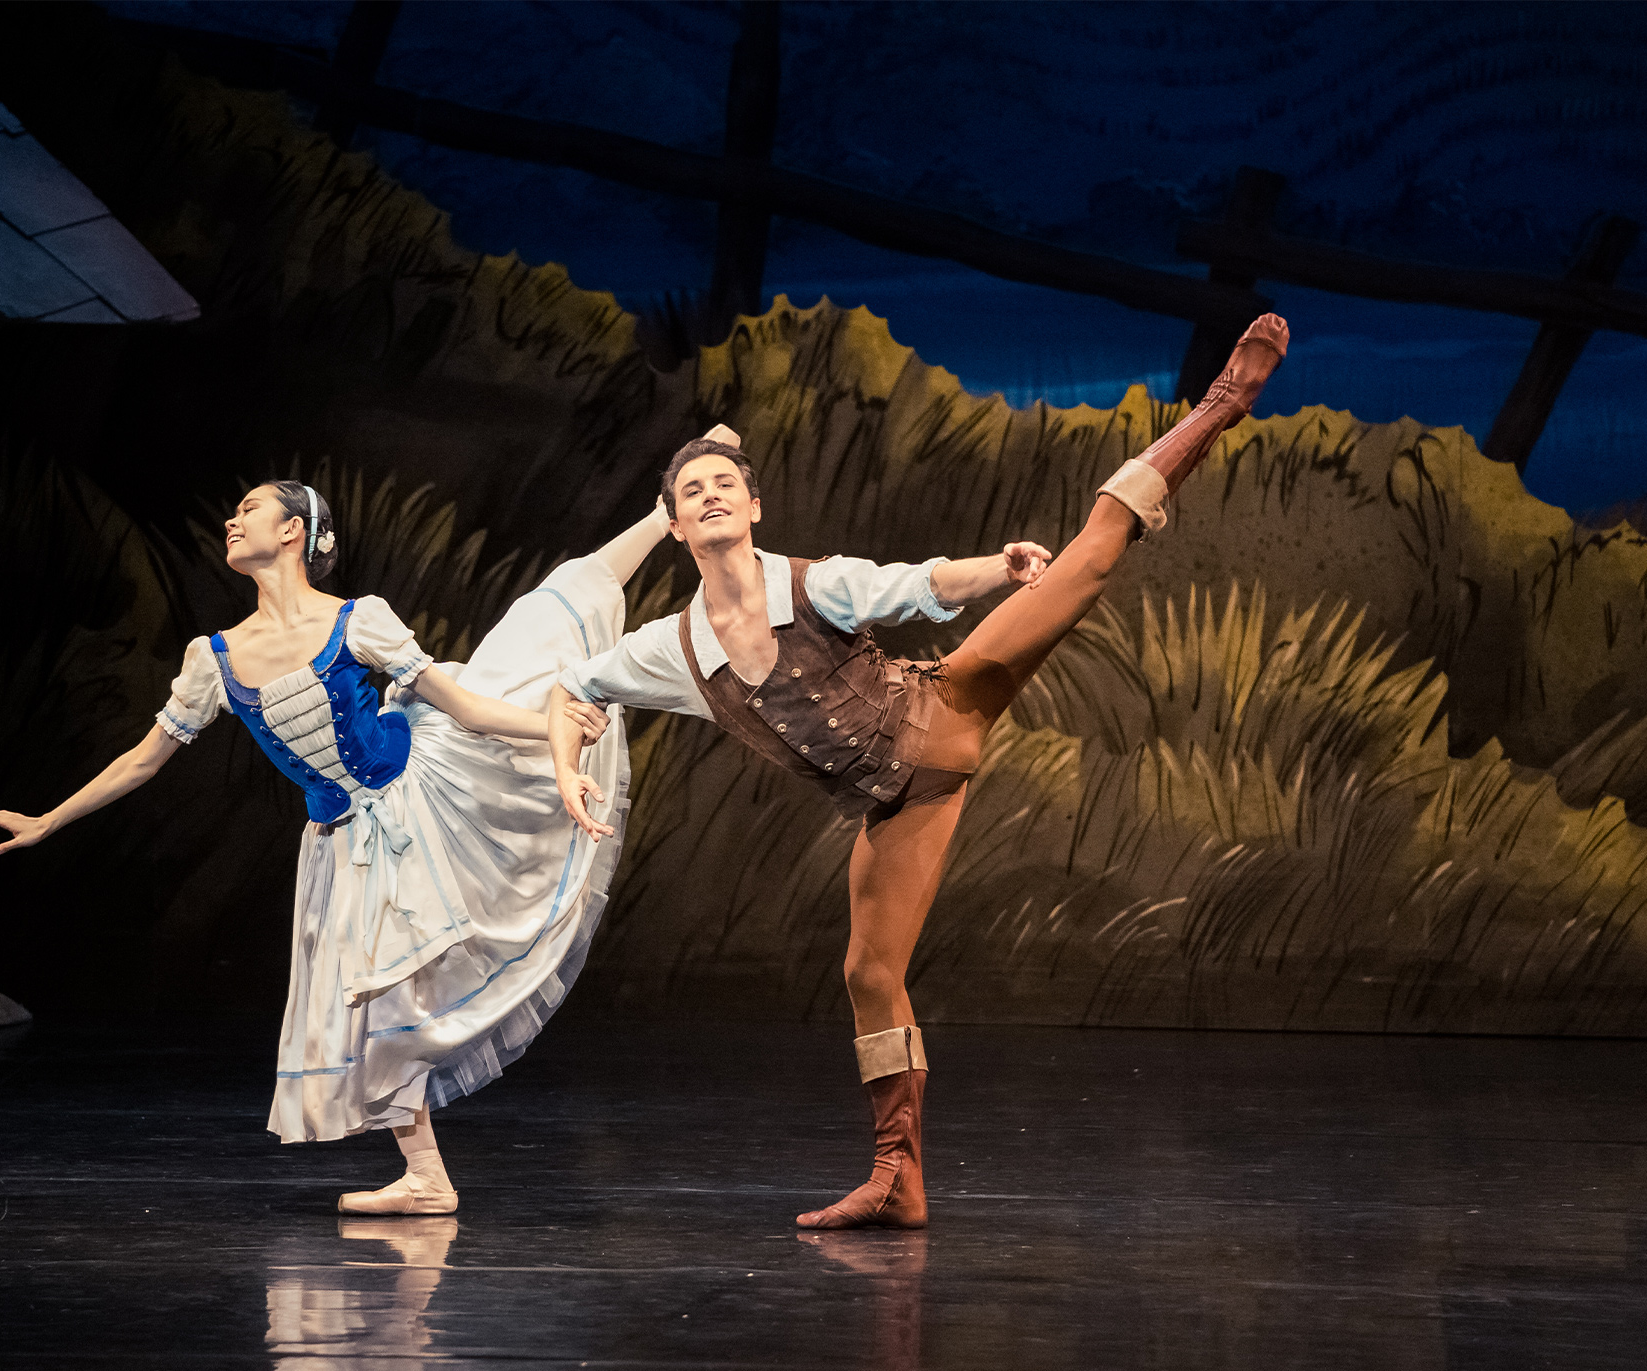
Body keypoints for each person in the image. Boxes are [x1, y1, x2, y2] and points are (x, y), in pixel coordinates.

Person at [548, 315, 1290, 1230]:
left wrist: (1001, 567)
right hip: (898, 800)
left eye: (724, 483)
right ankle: (898, 1176)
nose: (708, 496)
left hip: (945, 709)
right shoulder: (672, 650)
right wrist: (567, 763)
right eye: (690, 489)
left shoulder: (813, 585)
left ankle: (1220, 406)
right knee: (868, 971)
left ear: (752, 508)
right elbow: (570, 688)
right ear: (670, 524)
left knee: (1094, 550)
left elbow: (917, 584)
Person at [0, 479, 672, 1216]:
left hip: (418, 802)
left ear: (296, 530)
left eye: (249, 508)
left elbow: (460, 704)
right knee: (371, 1000)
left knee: (540, 623)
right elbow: (143, 760)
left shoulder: (358, 621)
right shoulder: (214, 657)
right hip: (340, 842)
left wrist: (555, 737)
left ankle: (658, 518)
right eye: (233, 510)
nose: (233, 519)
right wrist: (47, 820)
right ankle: (427, 1175)